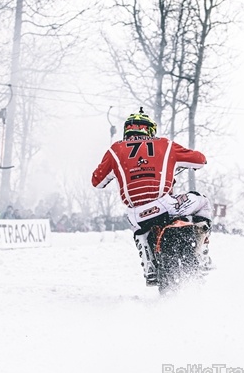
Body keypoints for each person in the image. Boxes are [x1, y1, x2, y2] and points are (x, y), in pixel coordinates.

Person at [91, 108, 212, 286]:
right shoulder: (164, 145)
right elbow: (200, 160)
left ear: (128, 130)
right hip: (164, 204)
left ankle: (148, 263)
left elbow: (97, 181)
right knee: (202, 201)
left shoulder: (116, 150)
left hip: (136, 213)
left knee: (139, 228)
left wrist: (117, 171)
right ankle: (202, 253)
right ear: (149, 129)